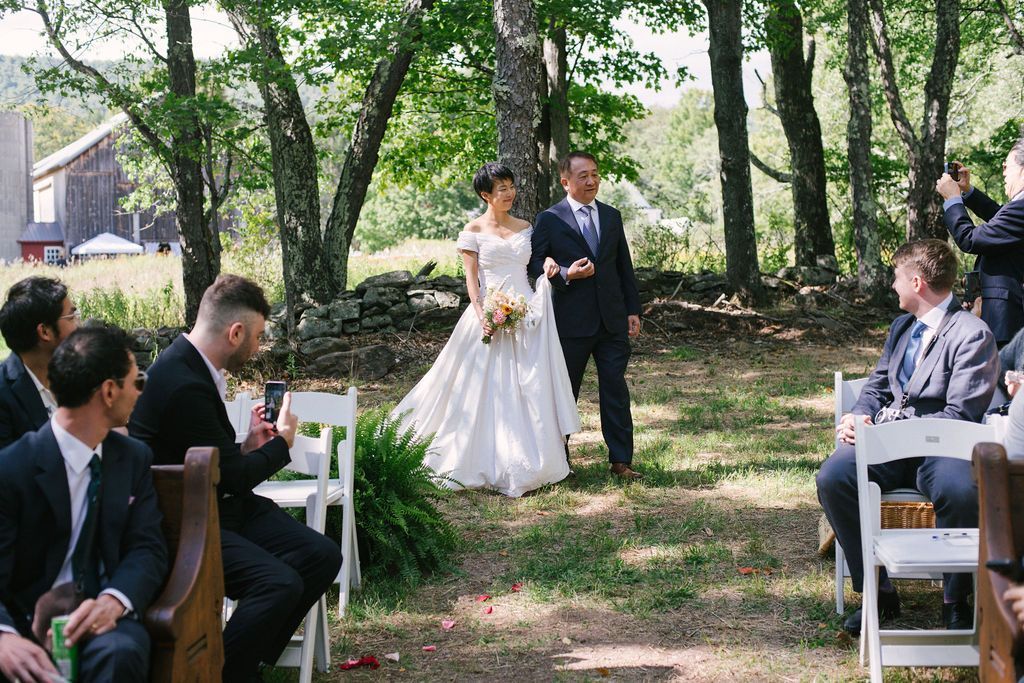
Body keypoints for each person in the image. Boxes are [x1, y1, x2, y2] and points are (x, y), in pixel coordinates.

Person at [128, 275, 341, 682]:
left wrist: (249, 445)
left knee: (322, 555)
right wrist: (283, 443)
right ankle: (229, 671)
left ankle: (244, 657)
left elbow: (217, 462)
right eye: (257, 337)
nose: (258, 348)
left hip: (217, 504)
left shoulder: (192, 366)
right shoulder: (182, 383)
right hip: (187, 524)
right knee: (279, 584)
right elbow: (234, 480)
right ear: (235, 332)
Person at [816, 239, 998, 635]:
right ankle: (878, 592)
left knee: (961, 490)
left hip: (943, 449)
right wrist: (858, 416)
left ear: (917, 283)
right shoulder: (902, 328)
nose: (892, 285)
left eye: (897, 277)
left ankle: (956, 599)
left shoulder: (972, 334)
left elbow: (962, 413)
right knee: (834, 477)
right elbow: (878, 385)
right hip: (886, 445)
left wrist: (895, 433)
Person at [392, 162, 579, 497]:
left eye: (511, 186)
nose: (509, 193)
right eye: (501, 189)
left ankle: (531, 459)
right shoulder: (473, 230)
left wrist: (549, 266)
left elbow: (535, 264)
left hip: (526, 312)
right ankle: (478, 457)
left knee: (530, 384)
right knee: (483, 387)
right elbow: (472, 280)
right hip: (490, 310)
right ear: (485, 195)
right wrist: (484, 316)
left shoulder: (526, 227)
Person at [0, 326, 167, 682]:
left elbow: (147, 547)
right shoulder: (12, 469)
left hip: (100, 618)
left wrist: (113, 601)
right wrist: (4, 637)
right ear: (109, 391)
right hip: (22, 620)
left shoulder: (132, 458)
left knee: (120, 653)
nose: (140, 392)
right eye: (137, 381)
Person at [528, 151, 642, 479]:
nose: (591, 181)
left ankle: (621, 461)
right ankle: (559, 462)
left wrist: (632, 309)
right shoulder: (550, 219)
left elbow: (623, 266)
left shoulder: (611, 216)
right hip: (570, 322)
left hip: (612, 320)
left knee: (615, 390)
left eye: (594, 174)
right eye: (583, 176)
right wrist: (566, 273)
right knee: (565, 393)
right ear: (565, 182)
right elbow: (535, 264)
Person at [936, 138, 1024, 346]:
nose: (1003, 172)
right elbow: (1000, 221)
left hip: (1006, 319)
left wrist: (952, 200)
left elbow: (970, 239)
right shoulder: (1018, 208)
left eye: (1007, 166)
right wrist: (968, 191)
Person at [0, 277, 80, 447]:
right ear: (45, 332)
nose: (79, 326)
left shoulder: (78, 374)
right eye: (72, 317)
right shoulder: (4, 394)